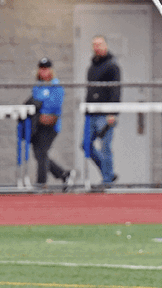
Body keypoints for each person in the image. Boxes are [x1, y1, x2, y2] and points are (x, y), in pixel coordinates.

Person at [27, 58, 74, 190]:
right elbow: (34, 101)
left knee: (41, 152)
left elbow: (54, 104)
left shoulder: (56, 85)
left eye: (46, 68)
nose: (43, 71)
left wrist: (41, 107)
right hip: (37, 125)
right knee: (39, 154)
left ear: (51, 70)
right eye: (41, 68)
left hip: (50, 124)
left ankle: (41, 183)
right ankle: (64, 174)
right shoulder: (38, 85)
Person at [83, 35, 120, 186]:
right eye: (94, 45)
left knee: (105, 146)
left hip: (106, 114)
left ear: (106, 45)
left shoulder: (112, 66)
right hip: (91, 113)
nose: (97, 47)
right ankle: (108, 173)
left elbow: (116, 90)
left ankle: (107, 180)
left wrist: (113, 112)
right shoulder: (92, 66)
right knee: (86, 145)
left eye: (100, 44)